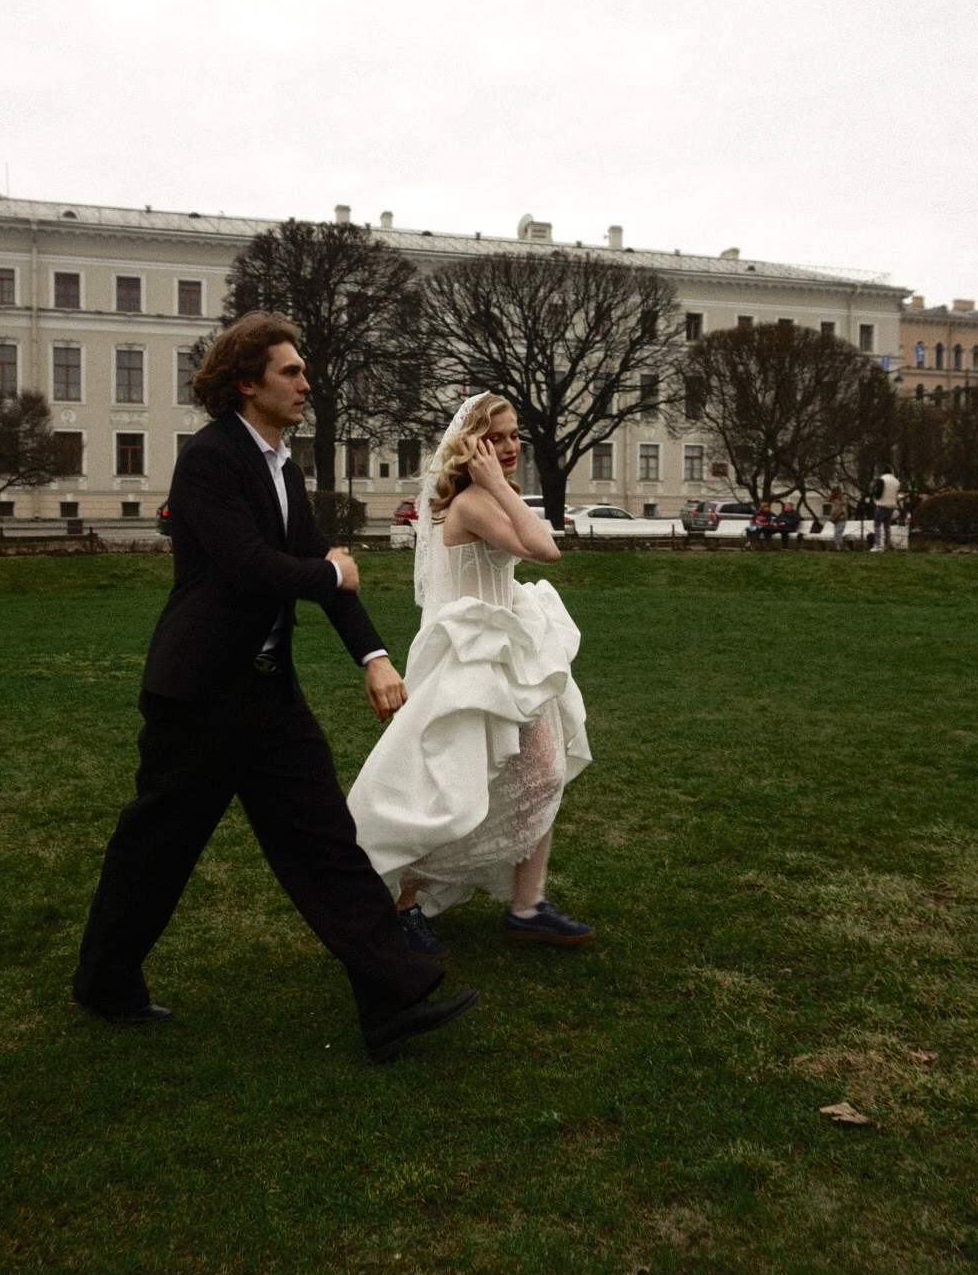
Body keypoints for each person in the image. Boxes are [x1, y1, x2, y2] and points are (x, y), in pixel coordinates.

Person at [72, 312, 478, 1064]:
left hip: (267, 697)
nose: (305, 383)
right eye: (290, 373)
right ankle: (104, 981)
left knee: (327, 843)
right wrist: (332, 570)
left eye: (303, 372)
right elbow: (248, 566)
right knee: (157, 851)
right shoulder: (209, 459)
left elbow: (318, 571)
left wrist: (375, 656)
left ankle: (391, 998)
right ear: (246, 382)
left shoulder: (282, 464)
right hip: (197, 698)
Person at [348, 393, 594, 956]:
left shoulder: (482, 496)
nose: (511, 448)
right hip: (475, 659)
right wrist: (503, 485)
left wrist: (500, 484)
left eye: (514, 438)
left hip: (510, 650)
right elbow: (545, 549)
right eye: (498, 438)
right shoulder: (472, 503)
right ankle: (405, 903)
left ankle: (527, 905)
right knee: (457, 790)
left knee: (544, 772)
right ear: (473, 444)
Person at [872, 466, 901, 552]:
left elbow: (877, 492)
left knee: (877, 524)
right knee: (887, 526)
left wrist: (875, 499)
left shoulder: (882, 479)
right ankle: (887, 544)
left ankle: (878, 545)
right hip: (892, 505)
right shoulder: (897, 481)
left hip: (882, 504)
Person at [829, 486, 849, 551]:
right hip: (836, 520)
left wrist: (835, 517)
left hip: (840, 519)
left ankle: (840, 547)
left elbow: (842, 511)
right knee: (836, 534)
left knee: (838, 533)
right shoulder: (835, 500)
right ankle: (838, 547)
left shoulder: (842, 500)